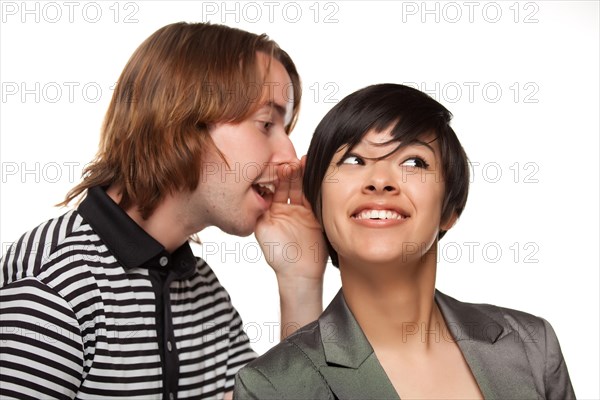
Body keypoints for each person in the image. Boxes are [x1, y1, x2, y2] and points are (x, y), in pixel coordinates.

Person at [0, 22, 326, 400]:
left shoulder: (202, 289)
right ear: (182, 122)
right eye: (266, 123)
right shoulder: (55, 287)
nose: (289, 154)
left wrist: (300, 281)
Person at [234, 83, 576, 399]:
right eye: (353, 160)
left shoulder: (532, 346)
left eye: (413, 161)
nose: (380, 181)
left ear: (450, 210)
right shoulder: (270, 385)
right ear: (318, 205)